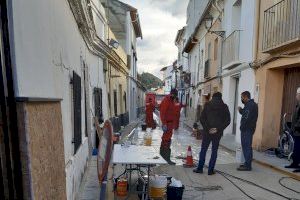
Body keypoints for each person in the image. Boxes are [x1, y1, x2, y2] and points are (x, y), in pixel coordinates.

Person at [193, 92, 231, 175]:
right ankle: (210, 170)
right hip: (217, 133)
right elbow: (228, 121)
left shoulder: (207, 105)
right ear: (221, 97)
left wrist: (208, 128)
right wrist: (218, 129)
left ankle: (200, 168)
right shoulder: (224, 107)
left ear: (213, 97)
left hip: (207, 132)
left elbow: (202, 118)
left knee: (203, 149)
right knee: (214, 151)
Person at [237, 91, 258, 171]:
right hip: (249, 128)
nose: (241, 99)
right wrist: (241, 110)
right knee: (247, 146)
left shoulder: (250, 105)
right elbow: (246, 114)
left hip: (247, 129)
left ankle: (248, 166)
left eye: (242, 97)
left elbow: (246, 118)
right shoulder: (251, 105)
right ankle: (247, 163)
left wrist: (242, 127)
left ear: (246, 97)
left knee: (246, 146)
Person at [159, 88, 178, 165]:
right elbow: (162, 113)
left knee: (168, 140)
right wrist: (164, 124)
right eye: (174, 95)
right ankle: (164, 158)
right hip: (167, 124)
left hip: (170, 124)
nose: (174, 97)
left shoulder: (171, 101)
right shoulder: (166, 100)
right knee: (165, 140)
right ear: (171, 94)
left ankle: (165, 158)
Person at [285, 87, 300, 172]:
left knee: (298, 148)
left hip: (299, 131)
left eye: (297, 94)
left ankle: (298, 165)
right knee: (295, 148)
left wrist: (296, 127)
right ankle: (295, 163)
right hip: (296, 131)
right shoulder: (298, 104)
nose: (296, 96)